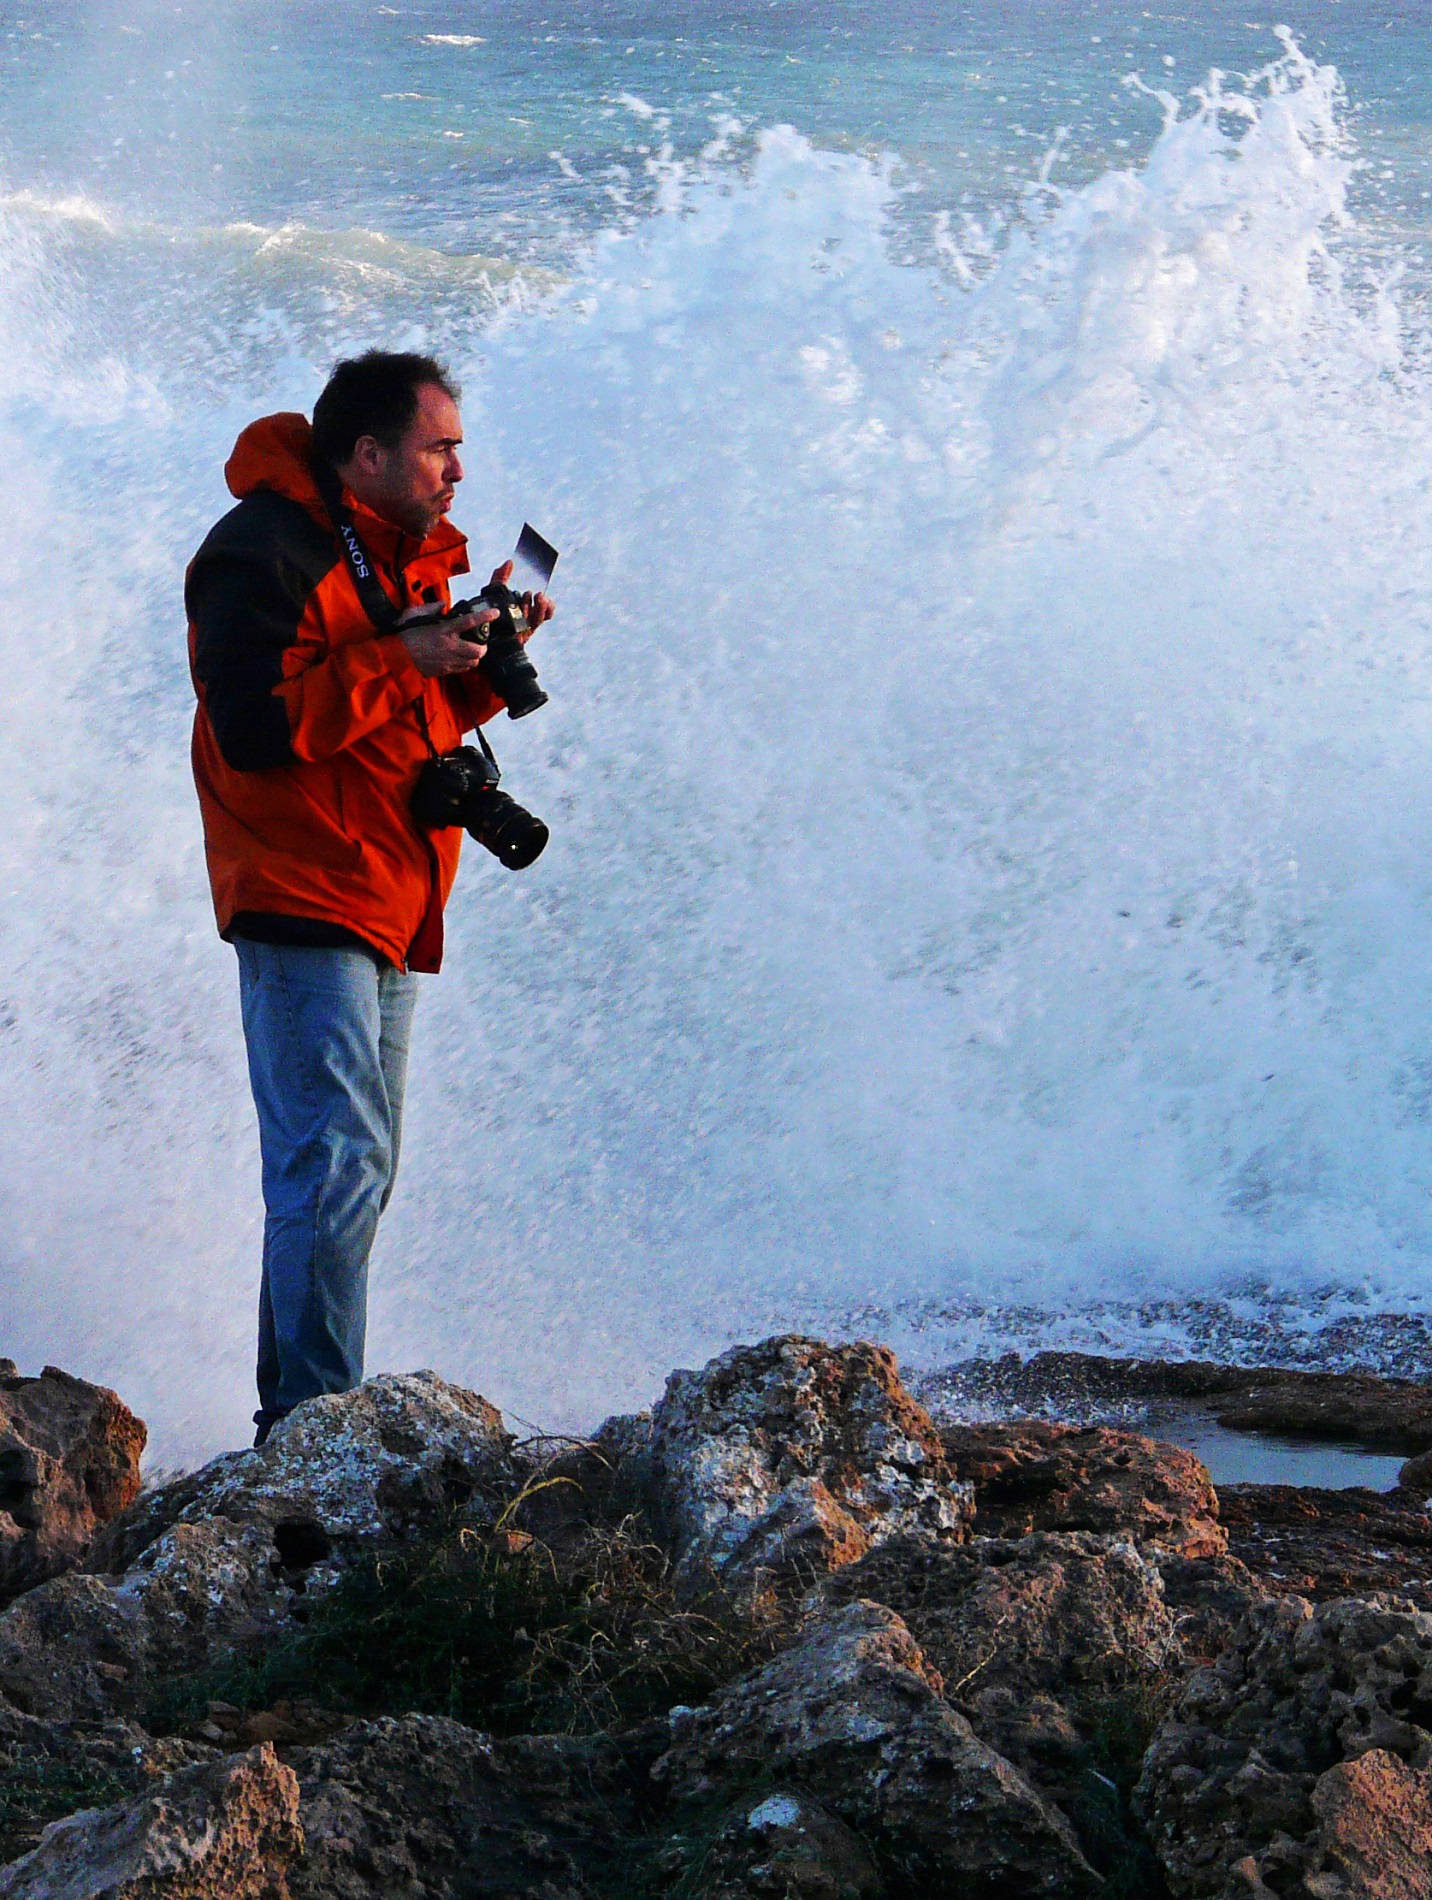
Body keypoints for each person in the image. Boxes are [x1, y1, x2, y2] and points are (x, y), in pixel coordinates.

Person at [186, 350, 553, 1445]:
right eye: (440, 448)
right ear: (367, 453)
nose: (457, 472)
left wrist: (476, 663)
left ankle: (304, 1414)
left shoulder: (412, 560)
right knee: (333, 1158)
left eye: (457, 450)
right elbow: (257, 732)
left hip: (387, 886)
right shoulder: (261, 550)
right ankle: (305, 1428)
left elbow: (394, 724)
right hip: (300, 882)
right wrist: (407, 654)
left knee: (360, 1165)